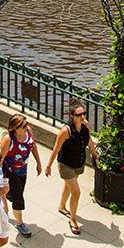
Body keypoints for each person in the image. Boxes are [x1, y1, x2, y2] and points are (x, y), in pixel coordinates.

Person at [45, 100, 99, 234]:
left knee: (69, 186)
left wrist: (96, 155)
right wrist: (48, 166)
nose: (82, 117)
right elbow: (56, 149)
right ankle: (73, 220)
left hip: (78, 163)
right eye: (79, 115)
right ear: (72, 116)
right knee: (76, 192)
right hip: (66, 165)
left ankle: (62, 206)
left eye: (83, 114)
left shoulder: (85, 126)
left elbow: (90, 142)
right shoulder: (66, 131)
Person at [0, 113, 42, 236]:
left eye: (25, 124)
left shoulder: (28, 131)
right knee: (18, 198)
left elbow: (33, 146)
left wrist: (38, 162)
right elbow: (0, 159)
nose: (25, 126)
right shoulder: (8, 139)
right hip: (10, 171)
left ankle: (6, 195)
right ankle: (20, 223)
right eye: (22, 125)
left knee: (17, 193)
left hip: (22, 170)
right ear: (14, 128)